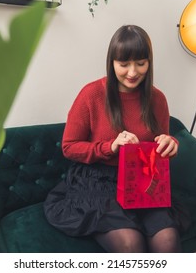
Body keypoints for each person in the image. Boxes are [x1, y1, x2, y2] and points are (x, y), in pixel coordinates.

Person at [44, 25, 187, 253]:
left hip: (142, 181)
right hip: (97, 181)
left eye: (141, 63)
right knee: (130, 243)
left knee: (167, 238)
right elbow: (69, 147)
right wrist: (110, 146)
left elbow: (162, 144)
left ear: (149, 63)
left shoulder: (157, 98)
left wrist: (171, 145)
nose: (133, 72)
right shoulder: (91, 94)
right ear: (112, 62)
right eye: (124, 64)